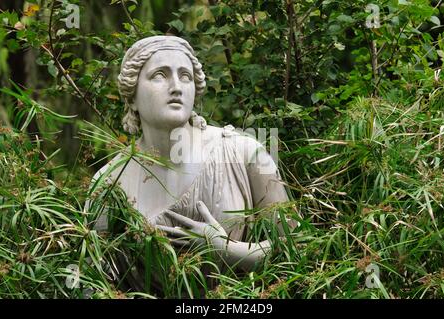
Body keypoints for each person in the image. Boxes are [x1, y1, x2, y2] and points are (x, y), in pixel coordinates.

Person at [91, 35, 294, 291]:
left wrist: (226, 250)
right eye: (159, 75)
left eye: (185, 76)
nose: (176, 86)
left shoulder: (246, 153)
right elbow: (95, 281)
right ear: (131, 96)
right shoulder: (109, 181)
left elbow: (295, 251)